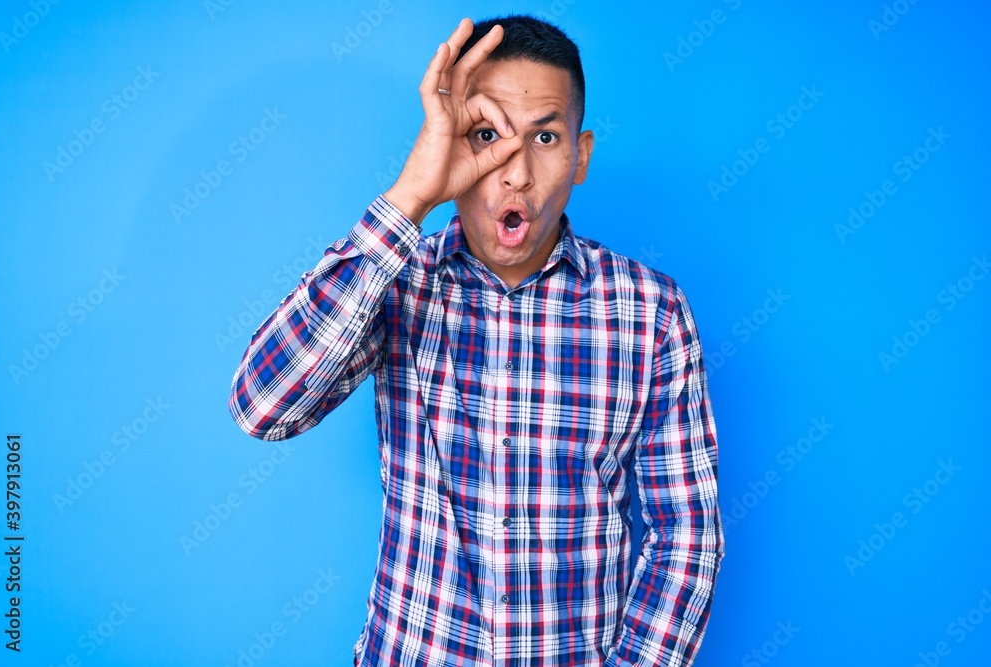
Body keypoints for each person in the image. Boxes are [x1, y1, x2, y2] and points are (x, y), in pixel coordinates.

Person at [228, 13, 724, 667]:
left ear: (580, 155)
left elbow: (685, 537)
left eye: (545, 136)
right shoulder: (397, 283)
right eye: (487, 135)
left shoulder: (652, 312)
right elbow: (264, 405)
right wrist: (410, 197)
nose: (515, 171)